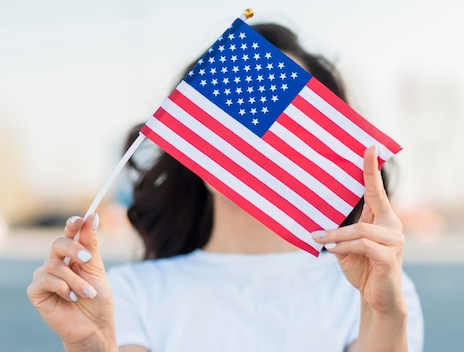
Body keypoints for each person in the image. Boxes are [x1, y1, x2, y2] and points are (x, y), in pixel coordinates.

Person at [27, 22, 424, 352]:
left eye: (282, 121)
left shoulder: (369, 293)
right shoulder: (130, 293)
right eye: (223, 112)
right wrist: (90, 344)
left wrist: (383, 315)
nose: (246, 137)